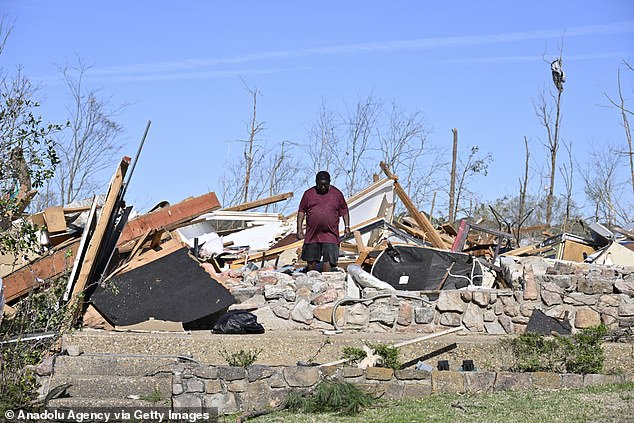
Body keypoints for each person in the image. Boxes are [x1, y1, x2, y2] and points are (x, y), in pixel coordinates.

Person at [296, 171, 351, 272]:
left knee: (329, 260)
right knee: (311, 260)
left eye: (325, 184)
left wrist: (347, 227)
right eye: (320, 184)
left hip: (330, 234)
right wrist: (299, 229)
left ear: (329, 182)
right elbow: (301, 211)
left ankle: (327, 281)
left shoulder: (337, 194)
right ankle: (311, 279)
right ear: (316, 182)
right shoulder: (308, 194)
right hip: (313, 234)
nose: (322, 187)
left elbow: (344, 210)